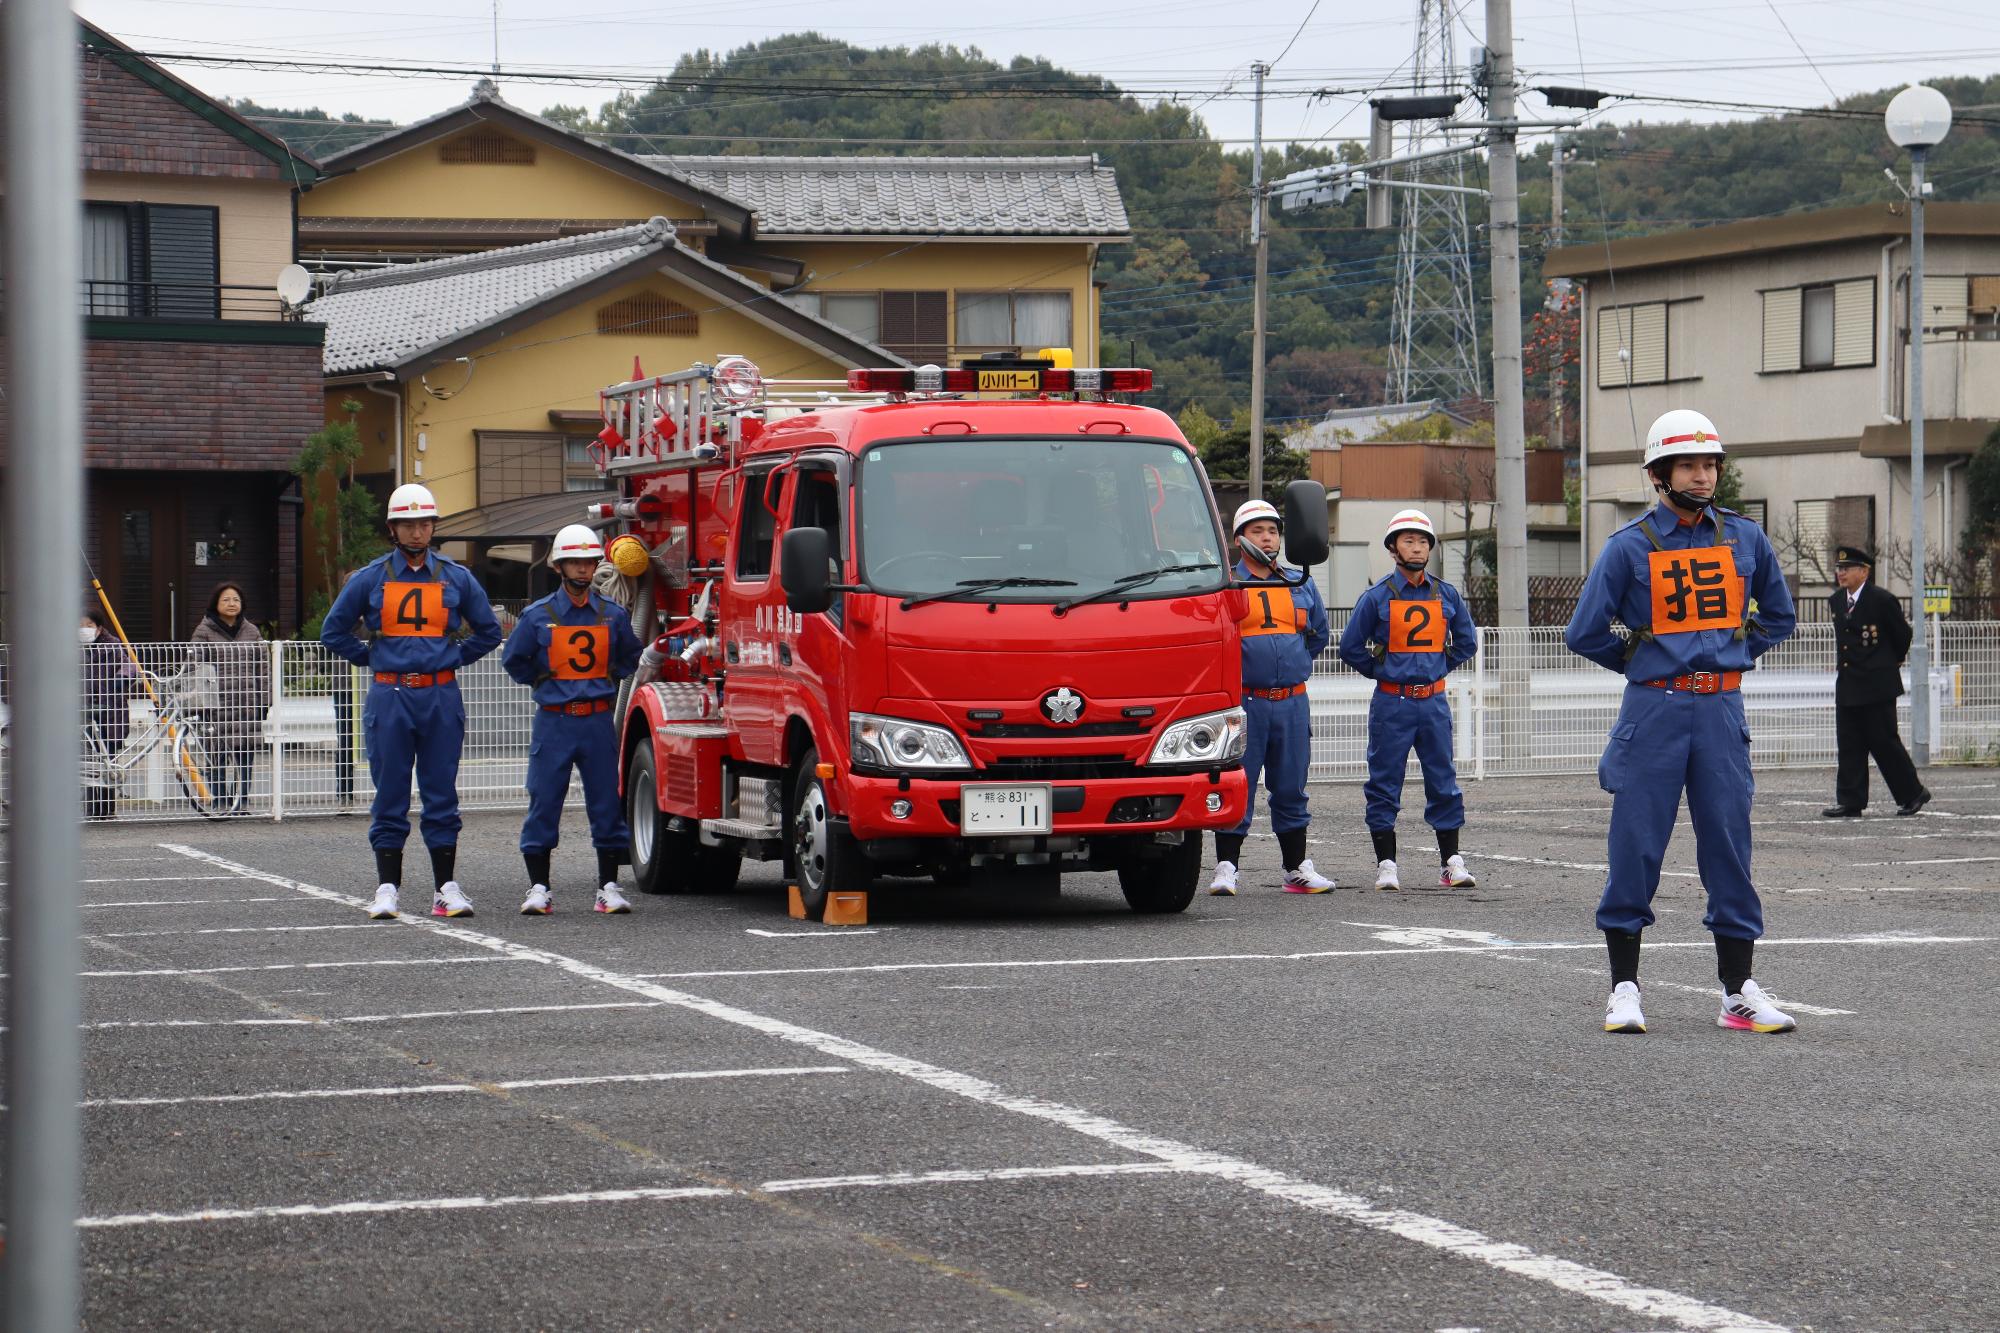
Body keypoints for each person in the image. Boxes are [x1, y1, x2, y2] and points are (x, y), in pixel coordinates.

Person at [1564, 409, 1800, 1036]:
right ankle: (1623, 990)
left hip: (1722, 709)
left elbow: (1779, 617)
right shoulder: (1630, 545)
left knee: (1729, 846)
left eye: (1710, 464)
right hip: (1654, 709)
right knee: (1636, 846)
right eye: (1690, 465)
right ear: (1659, 474)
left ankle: (1737, 993)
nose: (1704, 475)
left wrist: (1734, 656)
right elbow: (1583, 631)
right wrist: (1643, 663)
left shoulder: (1746, 540)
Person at [322, 483, 502, 920]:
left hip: (440, 693)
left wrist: (453, 657)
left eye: (424, 523)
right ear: (393, 529)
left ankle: (446, 888)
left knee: (441, 792)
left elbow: (490, 631)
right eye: (408, 524)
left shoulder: (456, 577)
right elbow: (334, 631)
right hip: (390, 693)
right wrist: (370, 658)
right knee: (390, 792)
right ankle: (387, 888)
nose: (417, 532)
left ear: (433, 527)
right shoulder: (371, 577)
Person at [502, 525, 643, 915]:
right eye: (575, 562)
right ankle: (538, 888)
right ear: (559, 566)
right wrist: (547, 684)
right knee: (544, 800)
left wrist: (603, 679)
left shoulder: (612, 615)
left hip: (597, 720)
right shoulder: (537, 616)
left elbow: (630, 655)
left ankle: (608, 887)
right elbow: (514, 660)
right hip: (554, 720)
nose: (583, 569)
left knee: (605, 802)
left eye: (588, 562)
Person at [1338, 509, 1479, 891]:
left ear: (1430, 548)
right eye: (1408, 540)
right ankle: (1387, 864)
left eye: (1422, 541)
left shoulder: (1445, 594)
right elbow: (1349, 646)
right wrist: (1381, 669)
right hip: (1392, 703)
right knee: (1384, 782)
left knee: (1443, 780)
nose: (1416, 547)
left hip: (1433, 702)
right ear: (1393, 548)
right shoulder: (1376, 596)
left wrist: (1438, 667)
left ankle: (1451, 862)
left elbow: (1467, 642)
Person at [1210, 499, 1335, 895]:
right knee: (1238, 783)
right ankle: (1226, 868)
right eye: (1258, 530)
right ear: (1239, 539)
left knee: (1291, 785)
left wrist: (1289, 666)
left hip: (1293, 700)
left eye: (1273, 530)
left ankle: (1296, 868)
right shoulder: (1227, 582)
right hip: (1244, 703)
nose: (1268, 537)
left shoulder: (1300, 581)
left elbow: (1318, 635)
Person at [1822, 545, 1929, 818]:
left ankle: (1913, 793)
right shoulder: (1836, 601)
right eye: (1839, 569)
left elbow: (1901, 636)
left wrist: (1887, 662)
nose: (1841, 573)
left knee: (1884, 741)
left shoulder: (1881, 599)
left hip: (1876, 684)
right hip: (1848, 682)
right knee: (1849, 743)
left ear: (1864, 571)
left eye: (1847, 569)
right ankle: (1851, 800)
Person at [189, 581, 265, 813]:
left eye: (236, 600)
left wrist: (265, 701)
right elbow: (193, 667)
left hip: (246, 704)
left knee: (245, 754)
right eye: (226, 600)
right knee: (215, 753)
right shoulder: (204, 631)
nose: (232, 604)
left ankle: (240, 802)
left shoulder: (252, 631)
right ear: (216, 604)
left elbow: (263, 669)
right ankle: (221, 800)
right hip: (215, 705)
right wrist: (199, 701)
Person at [81, 606, 137, 820]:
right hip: (84, 711)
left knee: (109, 760)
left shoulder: (112, 645)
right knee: (88, 760)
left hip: (111, 711)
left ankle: (107, 808)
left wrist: (121, 678)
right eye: (79, 627)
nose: (84, 630)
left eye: (89, 626)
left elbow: (130, 665)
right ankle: (91, 808)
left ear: (99, 628)